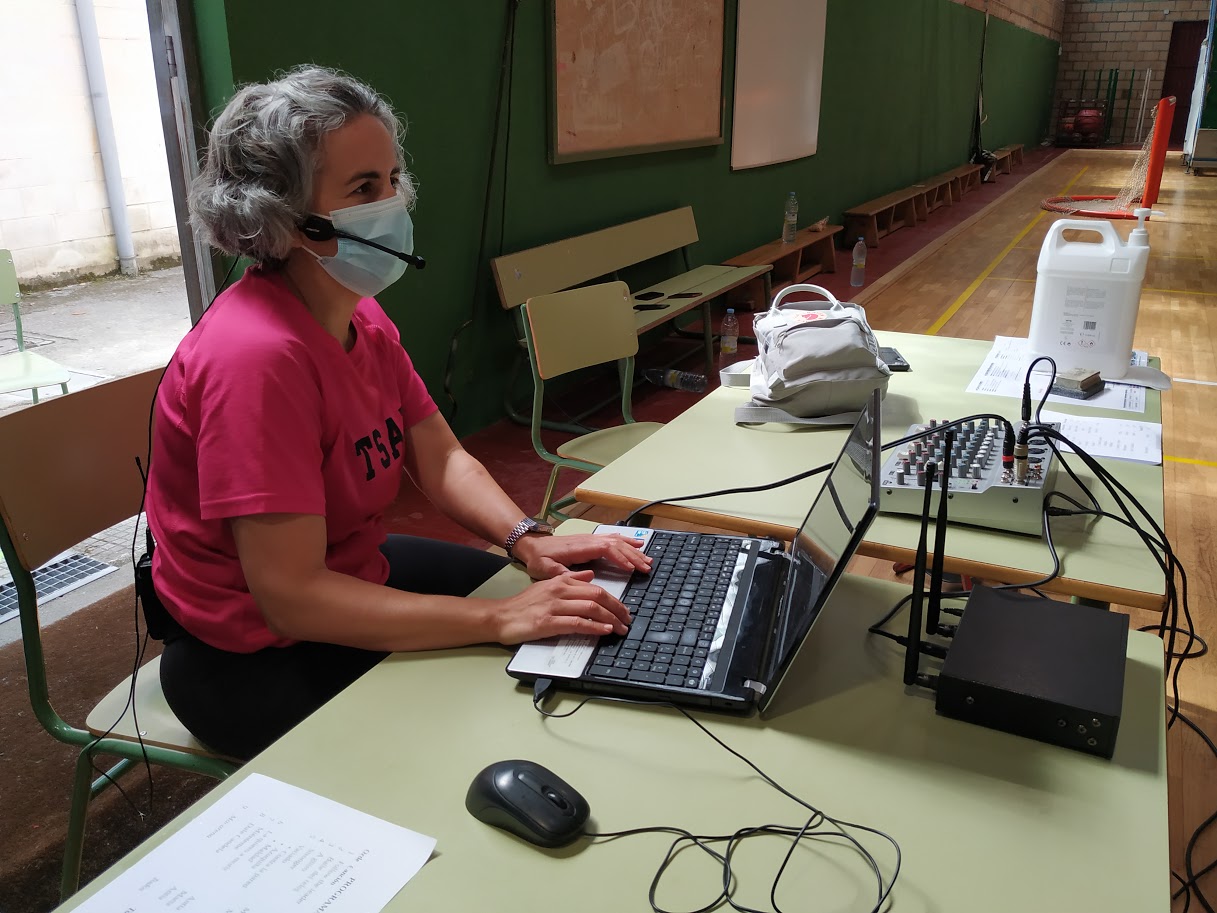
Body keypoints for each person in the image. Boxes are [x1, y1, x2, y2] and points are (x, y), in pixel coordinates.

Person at [146, 65, 649, 761]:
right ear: (283, 218)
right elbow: (290, 597)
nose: (392, 203)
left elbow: (439, 455)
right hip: (247, 654)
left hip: (345, 570)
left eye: (390, 179)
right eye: (362, 189)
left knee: (554, 618)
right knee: (477, 721)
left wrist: (527, 538)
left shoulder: (362, 318)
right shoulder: (255, 361)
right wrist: (497, 619)